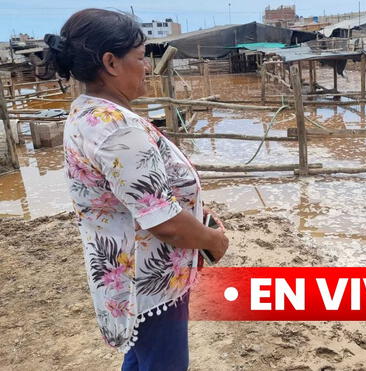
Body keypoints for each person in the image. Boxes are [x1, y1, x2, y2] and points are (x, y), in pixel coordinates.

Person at [42, 8, 229, 371]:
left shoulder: (88, 113)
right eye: (141, 57)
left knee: (141, 356)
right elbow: (166, 223)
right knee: (164, 363)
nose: (147, 68)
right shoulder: (117, 130)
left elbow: (137, 195)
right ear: (111, 62)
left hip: (126, 271)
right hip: (148, 282)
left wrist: (193, 209)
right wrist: (212, 239)